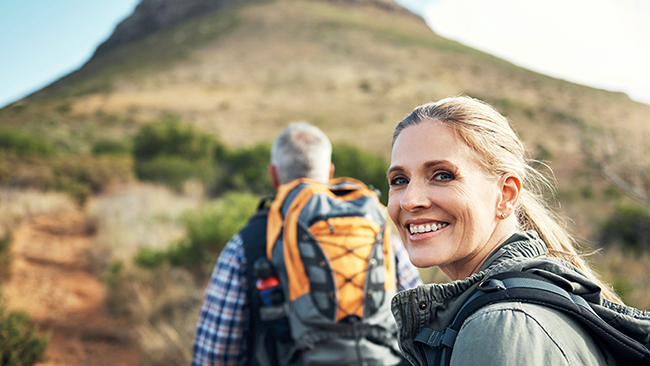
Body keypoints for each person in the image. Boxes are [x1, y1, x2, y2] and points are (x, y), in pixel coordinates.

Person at [387, 96, 650, 365]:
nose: (409, 200)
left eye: (443, 175)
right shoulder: (522, 302)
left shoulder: (499, 327)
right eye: (400, 180)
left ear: (506, 194)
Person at [192, 121, 422, 366]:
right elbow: (419, 319)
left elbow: (215, 353)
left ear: (273, 174)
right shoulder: (378, 229)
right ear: (330, 172)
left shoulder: (247, 243)